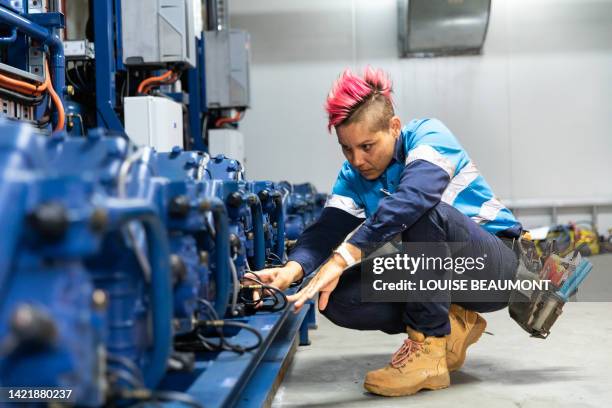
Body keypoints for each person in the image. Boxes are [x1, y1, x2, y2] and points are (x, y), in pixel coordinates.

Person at [249, 67, 522, 397]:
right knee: (334, 298)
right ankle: (452, 322)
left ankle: (429, 349)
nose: (357, 160)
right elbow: (326, 230)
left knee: (422, 211)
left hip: (494, 267)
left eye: (367, 146)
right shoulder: (353, 177)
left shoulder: (428, 135)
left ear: (394, 127)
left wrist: (343, 257)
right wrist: (292, 271)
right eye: (346, 149)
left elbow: (415, 199)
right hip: (439, 274)